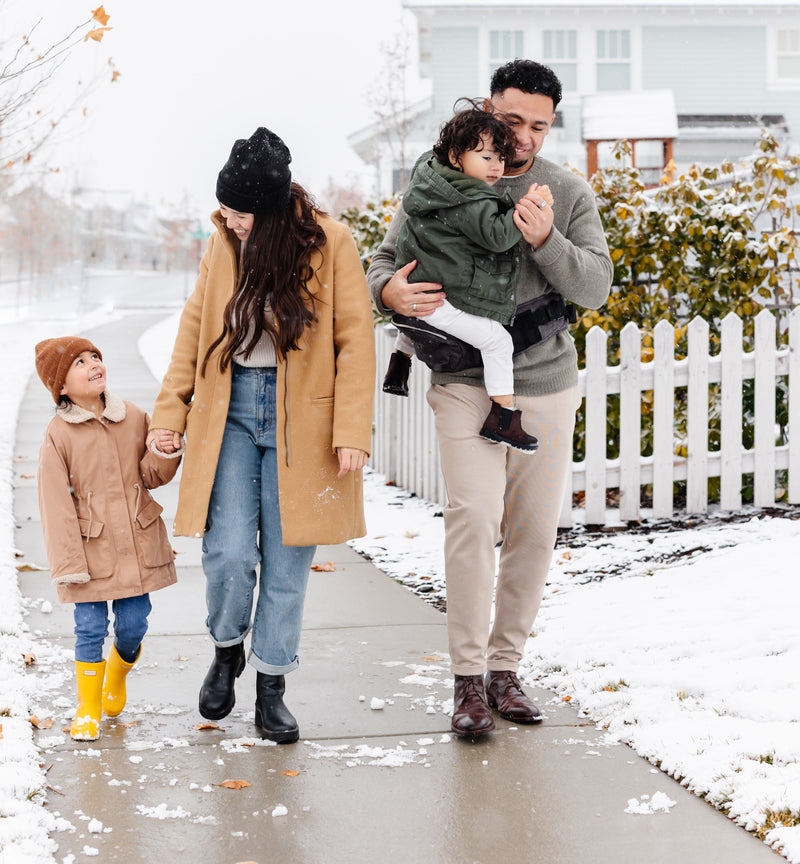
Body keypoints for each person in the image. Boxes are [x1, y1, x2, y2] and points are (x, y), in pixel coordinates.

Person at [367, 60, 612, 737]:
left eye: (538, 126)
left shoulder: (565, 190)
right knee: (473, 517)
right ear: (486, 110)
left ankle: (507, 673)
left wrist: (546, 239)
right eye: (510, 122)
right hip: (463, 380)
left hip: (547, 383)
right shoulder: (442, 178)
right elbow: (385, 258)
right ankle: (467, 682)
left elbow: (595, 286)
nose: (523, 138)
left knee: (532, 532)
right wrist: (385, 292)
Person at [147, 127, 375, 743]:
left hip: (306, 418)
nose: (229, 220)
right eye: (225, 208)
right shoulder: (223, 242)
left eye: (240, 212)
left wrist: (353, 428)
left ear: (273, 211)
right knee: (225, 553)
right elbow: (194, 333)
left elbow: (356, 340)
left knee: (287, 560)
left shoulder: (332, 243)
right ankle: (227, 650)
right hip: (232, 409)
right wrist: (170, 415)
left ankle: (272, 684)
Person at [382, 104, 552, 453]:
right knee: (497, 342)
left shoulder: (430, 182)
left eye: (500, 158)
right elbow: (498, 236)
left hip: (419, 291)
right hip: (442, 299)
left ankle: (398, 366)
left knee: (420, 320)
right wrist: (529, 206)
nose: (496, 166)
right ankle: (504, 418)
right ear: (457, 157)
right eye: (486, 156)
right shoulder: (470, 198)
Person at [35, 336, 181, 741]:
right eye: (79, 362)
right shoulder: (58, 435)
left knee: (133, 625)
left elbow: (151, 475)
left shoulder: (132, 416)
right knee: (89, 629)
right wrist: (68, 566)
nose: (93, 364)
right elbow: (55, 505)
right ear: (61, 387)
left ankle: (115, 676)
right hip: (89, 551)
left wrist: (166, 451)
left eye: (95, 356)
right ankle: (88, 704)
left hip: (135, 544)